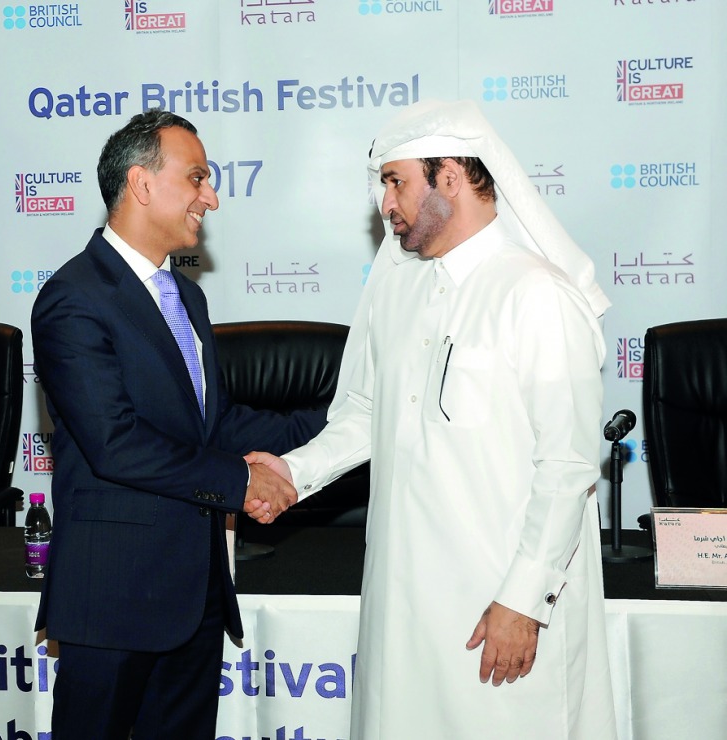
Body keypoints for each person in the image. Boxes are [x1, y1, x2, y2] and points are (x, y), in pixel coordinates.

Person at [247, 99, 618, 739]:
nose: (384, 205)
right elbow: (364, 412)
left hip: (497, 607)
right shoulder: (395, 286)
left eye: (395, 182)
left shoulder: (539, 295)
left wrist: (522, 603)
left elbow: (568, 467)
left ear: (450, 175)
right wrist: (291, 471)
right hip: (403, 600)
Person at [31, 108, 326, 739]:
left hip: (193, 600)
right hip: (112, 601)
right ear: (140, 184)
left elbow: (213, 425)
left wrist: (342, 425)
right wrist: (240, 484)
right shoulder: (73, 298)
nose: (211, 198)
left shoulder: (186, 296)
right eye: (196, 178)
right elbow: (116, 444)